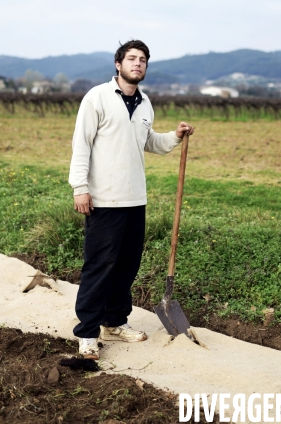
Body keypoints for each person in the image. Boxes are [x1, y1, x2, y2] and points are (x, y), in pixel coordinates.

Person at [69, 40, 194, 359]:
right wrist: (79, 187)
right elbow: (81, 144)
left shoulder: (145, 104)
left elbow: (148, 141)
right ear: (118, 64)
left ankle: (113, 323)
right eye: (132, 59)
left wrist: (175, 137)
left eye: (143, 60)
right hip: (103, 200)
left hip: (135, 199)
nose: (138, 64)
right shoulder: (96, 97)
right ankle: (87, 332)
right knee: (100, 265)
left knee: (126, 267)